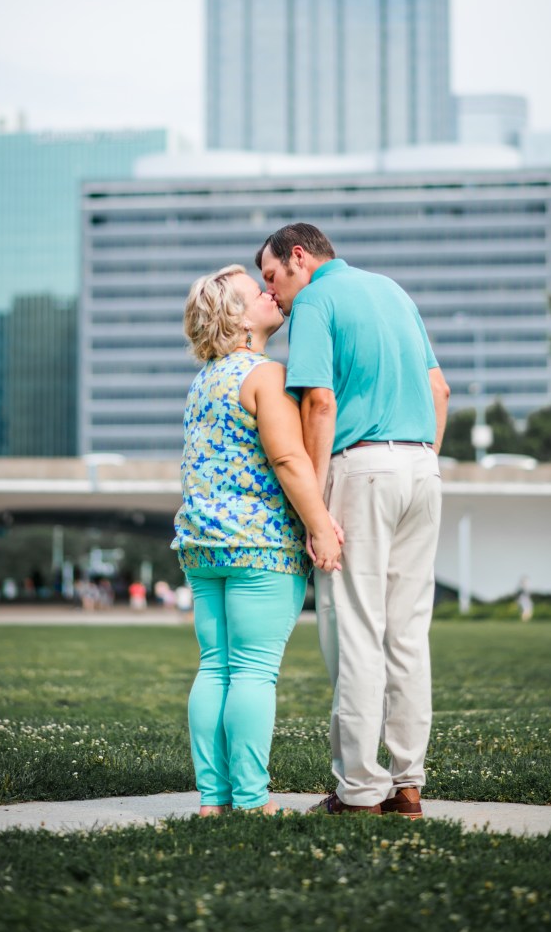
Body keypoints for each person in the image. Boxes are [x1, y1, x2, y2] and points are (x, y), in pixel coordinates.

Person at [256, 223, 450, 818]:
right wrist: (419, 464)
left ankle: (360, 793)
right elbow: (439, 389)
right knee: (408, 634)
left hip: (361, 467)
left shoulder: (316, 299)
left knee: (357, 634)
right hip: (421, 466)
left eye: (271, 278)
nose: (275, 296)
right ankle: (408, 786)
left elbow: (318, 401)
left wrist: (315, 506)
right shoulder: (392, 291)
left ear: (298, 258)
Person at [172, 264, 343, 817]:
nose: (272, 293)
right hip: (261, 547)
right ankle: (249, 802)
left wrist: (230, 280)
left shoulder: (204, 381)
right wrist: (320, 524)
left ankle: (211, 800)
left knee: (215, 667)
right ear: (237, 320)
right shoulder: (264, 375)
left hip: (203, 547)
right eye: (257, 293)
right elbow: (289, 458)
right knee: (253, 671)